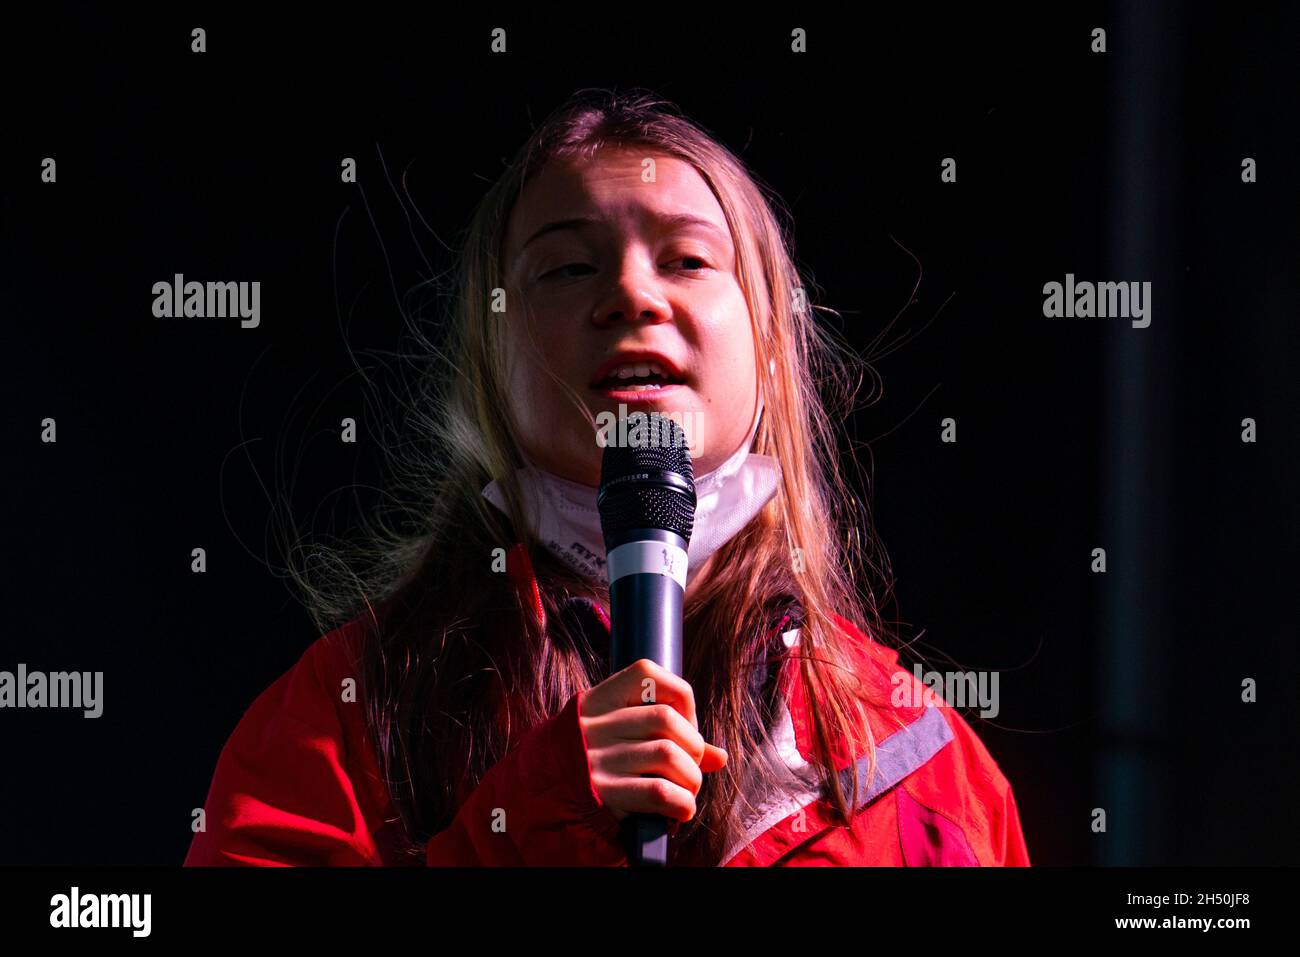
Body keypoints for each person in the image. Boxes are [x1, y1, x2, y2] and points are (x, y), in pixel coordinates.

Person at [184, 88, 1030, 867]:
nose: (631, 293)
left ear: (772, 344)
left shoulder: (926, 758)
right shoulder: (348, 710)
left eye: (689, 261)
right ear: (490, 356)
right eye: (568, 268)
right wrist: (537, 818)